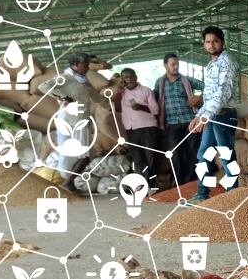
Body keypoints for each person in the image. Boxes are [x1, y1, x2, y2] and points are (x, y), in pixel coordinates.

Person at [38, 52, 110, 190]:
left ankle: (68, 182)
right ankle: (67, 183)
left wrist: (107, 108)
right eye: (85, 65)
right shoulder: (65, 78)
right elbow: (43, 86)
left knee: (83, 155)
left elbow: (94, 95)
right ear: (76, 64)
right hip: (71, 121)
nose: (88, 67)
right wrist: (64, 97)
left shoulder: (82, 79)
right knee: (84, 155)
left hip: (80, 120)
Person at [187, 26, 240, 204]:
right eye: (208, 42)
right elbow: (209, 96)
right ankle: (202, 194)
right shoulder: (211, 64)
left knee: (226, 156)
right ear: (204, 44)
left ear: (223, 42)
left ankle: (233, 196)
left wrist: (205, 116)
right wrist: (200, 115)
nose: (211, 45)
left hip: (224, 116)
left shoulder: (227, 62)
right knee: (203, 154)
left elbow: (222, 93)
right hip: (213, 116)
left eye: (215, 41)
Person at [154, 53, 205, 186]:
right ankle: (178, 183)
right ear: (165, 66)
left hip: (190, 122)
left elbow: (208, 86)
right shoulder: (160, 83)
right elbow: (154, 99)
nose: (176, 67)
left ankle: (189, 183)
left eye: (178, 64)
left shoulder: (186, 80)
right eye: (173, 64)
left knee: (192, 153)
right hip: (172, 124)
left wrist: (199, 98)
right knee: (175, 154)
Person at [115, 68, 161, 188]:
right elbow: (117, 109)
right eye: (126, 77)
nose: (129, 79)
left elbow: (156, 109)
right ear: (122, 79)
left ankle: (151, 185)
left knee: (150, 156)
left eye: (131, 76)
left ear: (136, 77)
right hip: (131, 129)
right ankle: (144, 184)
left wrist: (140, 106)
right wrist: (119, 92)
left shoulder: (145, 90)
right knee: (137, 158)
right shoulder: (122, 92)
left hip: (147, 127)